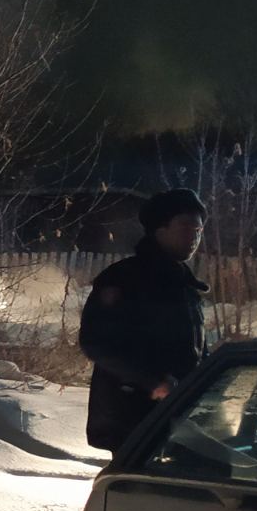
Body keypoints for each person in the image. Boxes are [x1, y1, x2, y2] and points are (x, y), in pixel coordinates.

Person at [79, 189, 210, 452]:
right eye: (186, 226)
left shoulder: (185, 287)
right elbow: (95, 342)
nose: (194, 236)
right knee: (136, 490)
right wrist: (153, 382)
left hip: (178, 418)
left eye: (199, 229)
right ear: (159, 228)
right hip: (133, 420)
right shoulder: (126, 279)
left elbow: (193, 351)